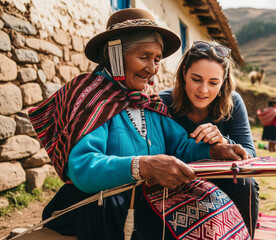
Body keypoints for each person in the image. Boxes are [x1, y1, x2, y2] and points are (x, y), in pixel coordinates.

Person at [28, 9, 251, 240]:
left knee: (210, 206)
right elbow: (83, 167)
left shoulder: (149, 102)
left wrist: (214, 150)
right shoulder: (91, 96)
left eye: (157, 59)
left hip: (145, 198)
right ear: (115, 54)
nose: (152, 68)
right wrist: (144, 166)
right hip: (100, 204)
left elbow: (182, 146)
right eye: (144, 57)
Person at [159, 40, 259, 238]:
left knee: (247, 183)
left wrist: (224, 142)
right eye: (196, 79)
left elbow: (250, 156)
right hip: (178, 182)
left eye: (213, 83)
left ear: (224, 81)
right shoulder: (163, 103)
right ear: (184, 73)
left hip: (222, 180)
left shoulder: (234, 102)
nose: (203, 90)